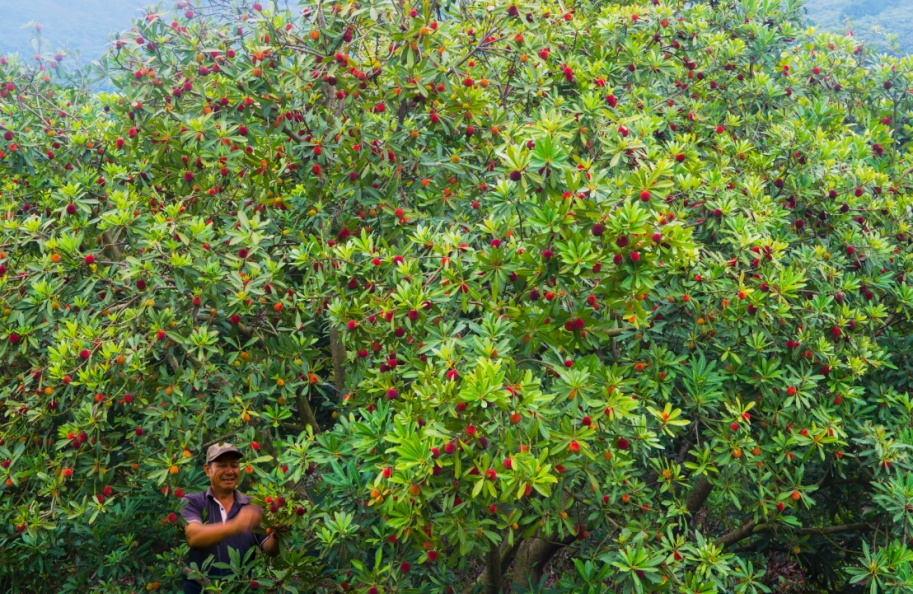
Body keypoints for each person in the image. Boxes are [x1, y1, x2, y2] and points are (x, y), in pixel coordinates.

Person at [180, 442, 280, 593]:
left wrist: (277, 532)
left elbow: (270, 549)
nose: (229, 471)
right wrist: (235, 525)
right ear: (208, 470)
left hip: (241, 589)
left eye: (234, 465)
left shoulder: (252, 505)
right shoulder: (193, 501)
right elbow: (194, 536)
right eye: (222, 465)